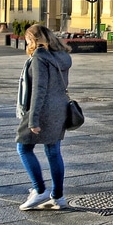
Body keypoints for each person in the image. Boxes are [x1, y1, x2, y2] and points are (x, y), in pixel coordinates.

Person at [16, 24, 73, 211]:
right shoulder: (62, 56)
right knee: (53, 151)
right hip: (59, 109)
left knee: (23, 147)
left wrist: (33, 119)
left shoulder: (40, 59)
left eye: (28, 39)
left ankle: (39, 189)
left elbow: (39, 90)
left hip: (42, 109)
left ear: (33, 39)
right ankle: (58, 196)